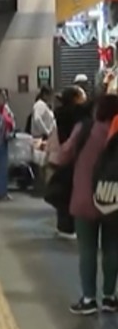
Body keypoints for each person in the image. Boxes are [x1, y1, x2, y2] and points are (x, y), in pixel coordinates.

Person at [54, 94, 118, 315]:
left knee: (88, 249)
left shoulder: (85, 129)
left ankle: (89, 299)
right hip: (113, 199)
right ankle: (110, 298)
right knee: (112, 248)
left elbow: (63, 156)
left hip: (84, 198)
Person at [47, 86, 89, 238]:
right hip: (73, 159)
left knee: (64, 193)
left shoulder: (59, 115)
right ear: (76, 98)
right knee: (70, 193)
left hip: (62, 159)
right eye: (83, 95)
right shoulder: (79, 116)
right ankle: (68, 227)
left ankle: (63, 226)